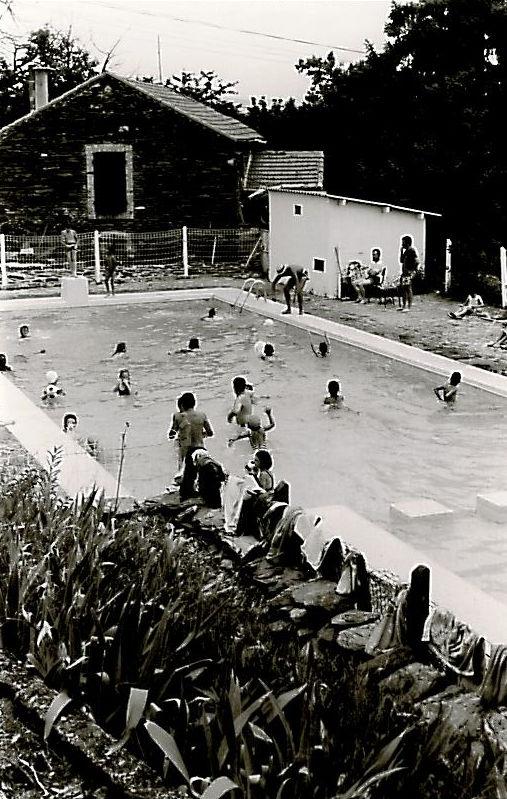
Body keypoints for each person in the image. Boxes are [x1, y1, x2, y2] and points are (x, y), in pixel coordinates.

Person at [167, 392, 214, 467]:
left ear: (182, 405)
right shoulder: (202, 415)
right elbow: (210, 433)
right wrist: (201, 434)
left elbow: (171, 434)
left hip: (187, 452)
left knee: (181, 470)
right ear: (194, 403)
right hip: (201, 448)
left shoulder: (178, 416)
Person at [398, 235, 419, 312]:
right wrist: (401, 251)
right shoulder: (406, 251)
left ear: (407, 243)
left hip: (408, 273)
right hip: (404, 273)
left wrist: (413, 271)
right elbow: (401, 261)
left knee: (408, 289)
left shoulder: (411, 250)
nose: (402, 244)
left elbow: (417, 261)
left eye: (403, 242)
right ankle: (403, 306)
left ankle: (409, 307)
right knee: (403, 289)